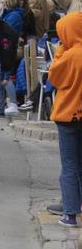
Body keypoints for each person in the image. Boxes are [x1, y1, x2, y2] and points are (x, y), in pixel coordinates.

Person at [50, 12, 82, 226]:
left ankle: (70, 213)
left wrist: (62, 49)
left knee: (69, 166)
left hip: (68, 116)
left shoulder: (70, 55)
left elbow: (55, 77)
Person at [0, 0, 23, 117]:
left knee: (5, 77)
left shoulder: (13, 16)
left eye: (3, 0)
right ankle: (1, 103)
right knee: (0, 76)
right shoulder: (10, 14)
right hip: (5, 46)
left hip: (8, 47)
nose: (1, 2)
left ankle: (12, 103)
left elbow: (6, 30)